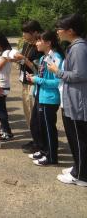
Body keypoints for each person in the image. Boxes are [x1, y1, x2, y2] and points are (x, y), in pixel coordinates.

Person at [48, 14, 87, 187]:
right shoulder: (75, 46)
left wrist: (58, 71)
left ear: (70, 31)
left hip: (79, 101)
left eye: (60, 28)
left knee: (79, 138)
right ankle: (78, 167)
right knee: (76, 137)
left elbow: (80, 74)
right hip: (74, 99)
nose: (57, 31)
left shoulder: (79, 48)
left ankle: (81, 175)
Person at [26, 31, 64, 166]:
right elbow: (42, 77)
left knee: (49, 129)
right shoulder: (43, 58)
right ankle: (44, 151)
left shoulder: (56, 57)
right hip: (40, 97)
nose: (36, 43)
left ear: (48, 43)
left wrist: (38, 80)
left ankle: (52, 157)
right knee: (40, 126)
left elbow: (57, 82)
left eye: (39, 41)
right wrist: (33, 79)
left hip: (50, 98)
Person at [13, 20, 43, 152]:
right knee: (27, 113)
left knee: (34, 113)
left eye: (26, 32)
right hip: (25, 82)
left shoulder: (40, 46)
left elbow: (39, 68)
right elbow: (23, 61)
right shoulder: (26, 44)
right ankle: (35, 139)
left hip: (34, 83)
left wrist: (25, 60)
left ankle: (40, 143)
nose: (24, 34)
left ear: (35, 32)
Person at [0, 32, 13, 141]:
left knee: (1, 110)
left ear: (1, 42)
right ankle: (4, 129)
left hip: (2, 84)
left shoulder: (6, 53)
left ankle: (7, 132)